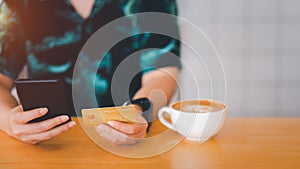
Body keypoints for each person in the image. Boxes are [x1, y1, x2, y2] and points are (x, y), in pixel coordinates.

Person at [0, 0, 181, 145]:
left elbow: (162, 74)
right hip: (46, 145)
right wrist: (8, 118)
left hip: (128, 144)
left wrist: (140, 111)